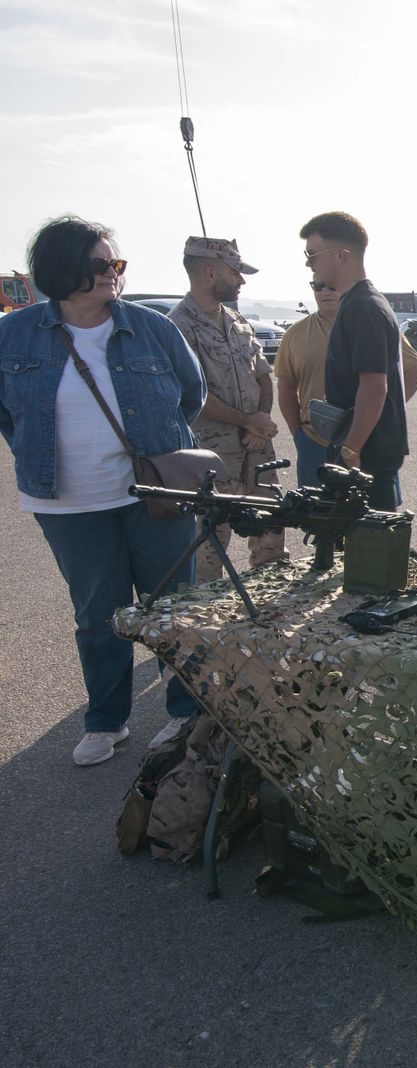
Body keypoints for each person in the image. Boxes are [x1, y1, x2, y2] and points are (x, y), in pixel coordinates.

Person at [0, 216, 204, 766]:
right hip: (67, 503)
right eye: (97, 265)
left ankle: (186, 714)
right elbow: (7, 413)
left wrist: (157, 453)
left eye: (115, 264)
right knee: (98, 614)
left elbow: (191, 394)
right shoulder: (11, 335)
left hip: (154, 495)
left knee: (172, 608)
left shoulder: (152, 326)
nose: (111, 275)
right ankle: (107, 721)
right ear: (60, 270)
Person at [167, 236, 288, 579]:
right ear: (209, 271)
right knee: (208, 545)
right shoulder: (176, 329)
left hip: (257, 449)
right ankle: (204, 624)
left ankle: (270, 611)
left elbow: (264, 376)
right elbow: (194, 395)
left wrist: (260, 424)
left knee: (271, 531)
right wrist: (248, 421)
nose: (241, 280)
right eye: (235, 272)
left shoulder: (239, 322)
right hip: (211, 455)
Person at [299, 211, 408, 510]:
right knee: (357, 550)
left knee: (370, 551)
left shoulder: (362, 307)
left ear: (341, 256)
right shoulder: (359, 302)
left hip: (365, 456)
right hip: (364, 450)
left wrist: (351, 450)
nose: (309, 263)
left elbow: (374, 388)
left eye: (312, 254)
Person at [275, 279, 417, 487]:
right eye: (318, 286)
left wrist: (381, 415)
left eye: (331, 285)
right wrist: (299, 435)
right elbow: (285, 386)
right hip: (314, 444)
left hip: (366, 442)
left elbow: (415, 371)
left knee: (374, 516)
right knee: (316, 517)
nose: (325, 292)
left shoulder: (371, 322)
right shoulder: (295, 333)